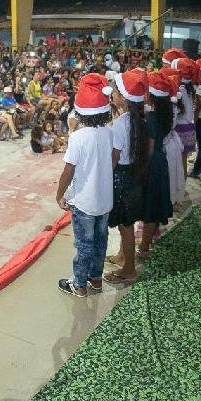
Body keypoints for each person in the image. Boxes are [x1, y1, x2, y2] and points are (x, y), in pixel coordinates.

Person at [55, 73, 116, 297]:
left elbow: (68, 171)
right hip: (104, 200)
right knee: (100, 243)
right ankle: (96, 280)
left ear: (79, 110)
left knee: (83, 245)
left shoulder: (78, 137)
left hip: (84, 202)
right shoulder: (109, 133)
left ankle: (79, 285)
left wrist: (60, 194)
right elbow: (112, 161)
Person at [105, 69, 149, 285]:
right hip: (134, 174)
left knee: (125, 225)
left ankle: (129, 268)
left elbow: (113, 158)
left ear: (123, 98)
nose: (111, 94)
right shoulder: (139, 119)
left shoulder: (120, 125)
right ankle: (123, 256)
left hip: (122, 178)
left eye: (114, 91)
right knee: (128, 222)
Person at [138, 72, 175, 256]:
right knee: (154, 203)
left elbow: (150, 148)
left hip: (152, 162)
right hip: (161, 160)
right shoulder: (165, 114)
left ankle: (144, 247)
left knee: (150, 206)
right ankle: (147, 243)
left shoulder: (152, 117)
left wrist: (141, 169)